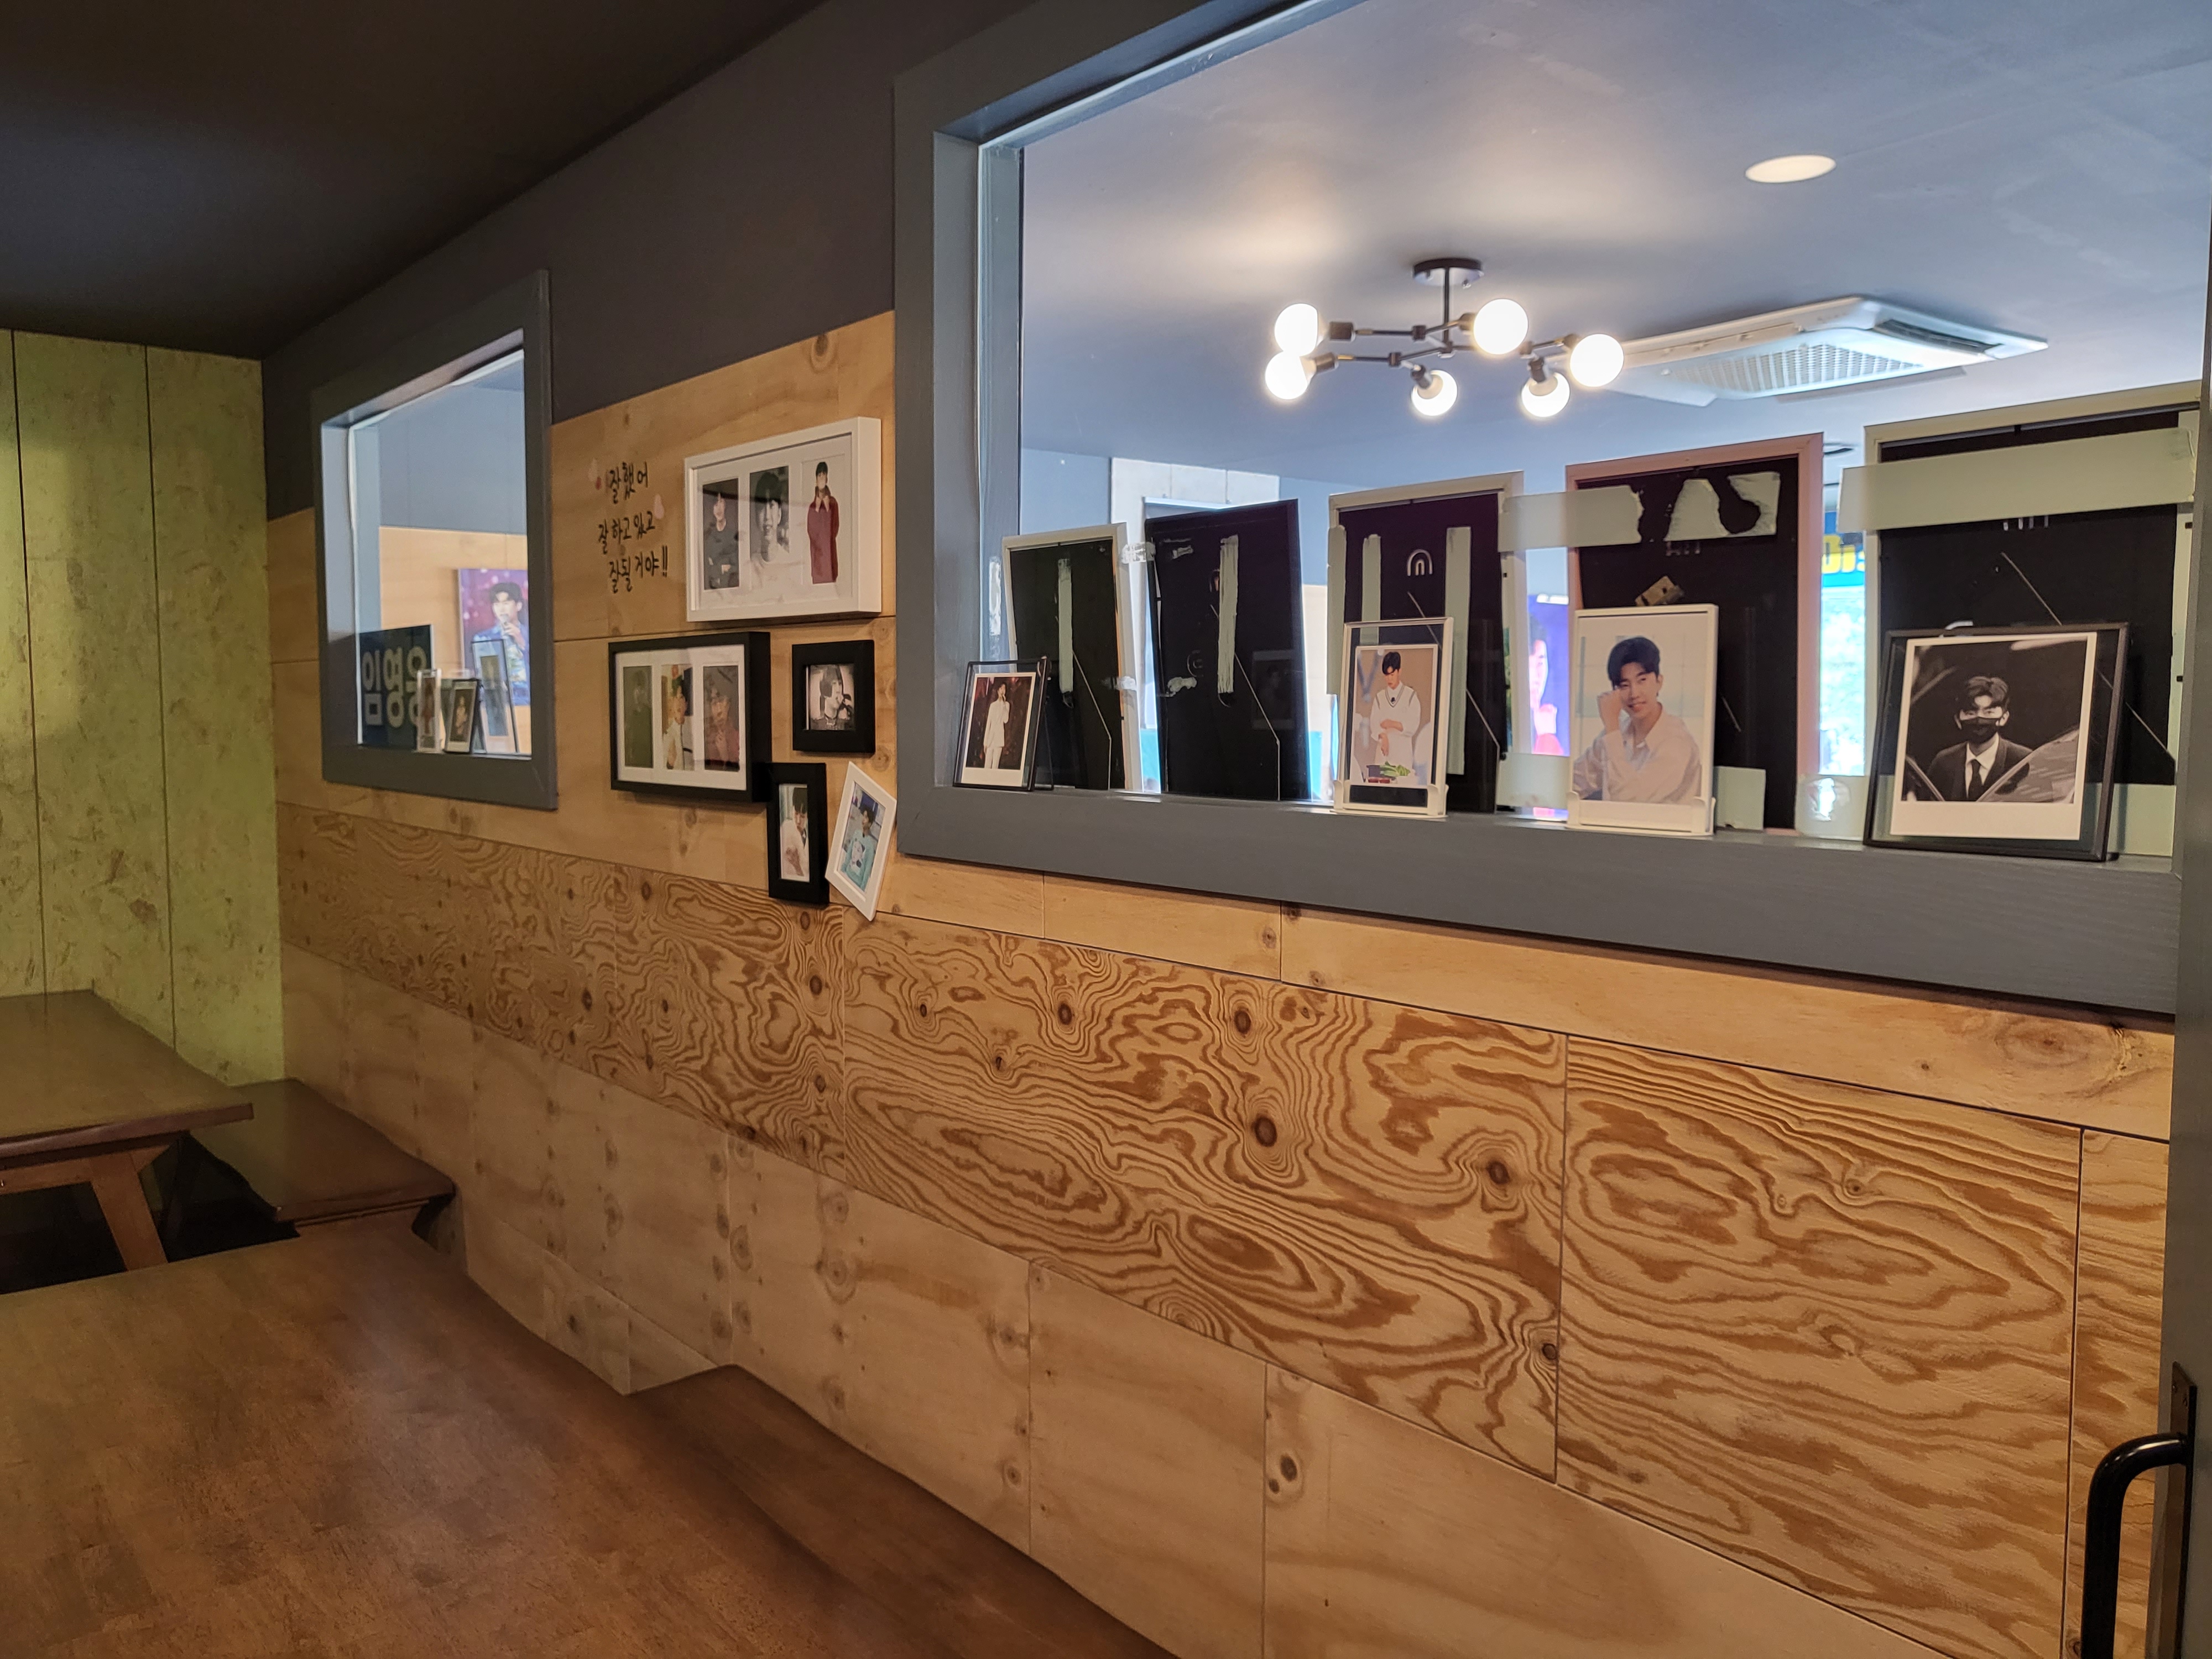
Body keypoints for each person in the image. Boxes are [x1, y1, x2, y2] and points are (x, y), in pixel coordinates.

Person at [1571, 635, 1702, 803]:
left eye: (1642, 681)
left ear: (1659, 682)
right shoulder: (1620, 731)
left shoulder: (1676, 743)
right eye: (1625, 685)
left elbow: (1629, 802)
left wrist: (1612, 726)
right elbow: (1576, 780)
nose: (1634, 694)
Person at [1923, 674, 2033, 801]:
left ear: (2004, 718)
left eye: (1989, 712)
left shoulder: (2024, 761)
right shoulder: (1943, 763)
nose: (1979, 719)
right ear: (1958, 719)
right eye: (1971, 713)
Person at [1361, 649, 1425, 782]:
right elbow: (1375, 723)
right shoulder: (1379, 697)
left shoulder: (1410, 696)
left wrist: (1392, 724)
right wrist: (1383, 735)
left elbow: (1413, 725)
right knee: (1382, 785)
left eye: (1392, 674)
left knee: (1401, 784)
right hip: (1383, 753)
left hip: (1402, 754)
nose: (1389, 679)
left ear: (1399, 671)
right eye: (1387, 675)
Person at [468, 579, 530, 707]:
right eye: (496, 604)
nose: (501, 609)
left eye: (506, 603)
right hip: (499, 701)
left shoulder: (530, 635)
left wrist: (523, 644)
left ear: (518, 606)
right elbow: (485, 676)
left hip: (530, 699)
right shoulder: (483, 638)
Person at [1527, 636, 1565, 757]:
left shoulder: (1556, 718)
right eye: (1527, 665)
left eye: (1540, 663)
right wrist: (1546, 738)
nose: (1536, 675)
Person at [807, 460, 840, 585]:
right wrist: (817, 509)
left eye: (823, 475)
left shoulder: (833, 503)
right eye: (819, 475)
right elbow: (812, 532)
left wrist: (827, 509)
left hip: (829, 556)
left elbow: (835, 529)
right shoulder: (812, 506)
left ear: (827, 479)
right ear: (816, 480)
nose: (821, 478)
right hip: (817, 560)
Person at [702, 492, 743, 589]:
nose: (719, 509)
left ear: (725, 506)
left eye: (721, 503)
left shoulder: (734, 534)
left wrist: (715, 566)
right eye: (716, 505)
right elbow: (706, 569)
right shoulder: (708, 537)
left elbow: (738, 567)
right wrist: (721, 568)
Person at [702, 670, 740, 770]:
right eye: (714, 703)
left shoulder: (738, 737)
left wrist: (725, 756)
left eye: (722, 701)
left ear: (728, 704)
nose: (719, 711)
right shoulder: (705, 739)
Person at [752, 470, 790, 568]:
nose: (767, 516)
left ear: (779, 515)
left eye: (772, 506)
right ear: (756, 516)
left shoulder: (789, 564)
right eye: (761, 508)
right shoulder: (750, 566)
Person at [840, 797, 880, 889]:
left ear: (870, 824)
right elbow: (849, 852)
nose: (863, 819)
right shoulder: (857, 834)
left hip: (857, 883)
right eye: (863, 816)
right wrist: (844, 868)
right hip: (847, 874)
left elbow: (867, 870)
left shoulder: (870, 846)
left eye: (866, 818)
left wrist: (862, 888)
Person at [661, 668, 694, 770]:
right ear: (672, 705)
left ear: (686, 705)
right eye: (676, 698)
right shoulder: (667, 735)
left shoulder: (693, 731)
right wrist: (670, 763)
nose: (679, 703)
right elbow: (663, 768)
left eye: (681, 698)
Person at [982, 679, 1014, 771]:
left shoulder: (1007, 705)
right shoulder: (993, 705)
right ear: (998, 690)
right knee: (987, 765)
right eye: (1001, 688)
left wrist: (1003, 704)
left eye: (1005, 689)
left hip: (999, 739)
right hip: (991, 739)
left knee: (995, 766)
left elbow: (1005, 720)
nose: (1003, 690)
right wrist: (985, 742)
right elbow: (989, 724)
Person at [780, 790, 810, 880]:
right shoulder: (786, 828)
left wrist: (797, 866)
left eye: (802, 816)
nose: (798, 821)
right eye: (796, 813)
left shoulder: (808, 835)